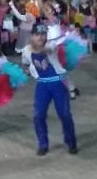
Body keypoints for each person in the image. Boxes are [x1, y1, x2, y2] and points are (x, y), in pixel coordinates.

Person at [23, 22, 77, 156]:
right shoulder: (26, 51)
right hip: (42, 85)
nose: (40, 37)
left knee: (64, 114)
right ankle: (43, 144)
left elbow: (44, 51)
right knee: (38, 115)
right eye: (37, 35)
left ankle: (71, 142)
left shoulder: (51, 46)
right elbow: (26, 63)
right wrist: (29, 71)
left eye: (43, 34)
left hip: (58, 83)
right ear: (32, 36)